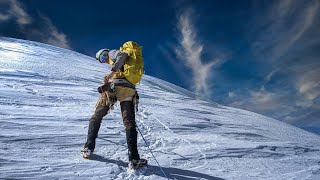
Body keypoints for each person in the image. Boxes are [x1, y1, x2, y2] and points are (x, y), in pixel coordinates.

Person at [82, 42, 147, 170]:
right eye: (101, 60)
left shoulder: (112, 53)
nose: (104, 60)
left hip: (113, 88)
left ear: (105, 52)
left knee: (97, 116)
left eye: (102, 56)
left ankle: (88, 148)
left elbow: (122, 55)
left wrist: (111, 74)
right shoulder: (116, 64)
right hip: (128, 89)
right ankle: (133, 159)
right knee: (129, 122)